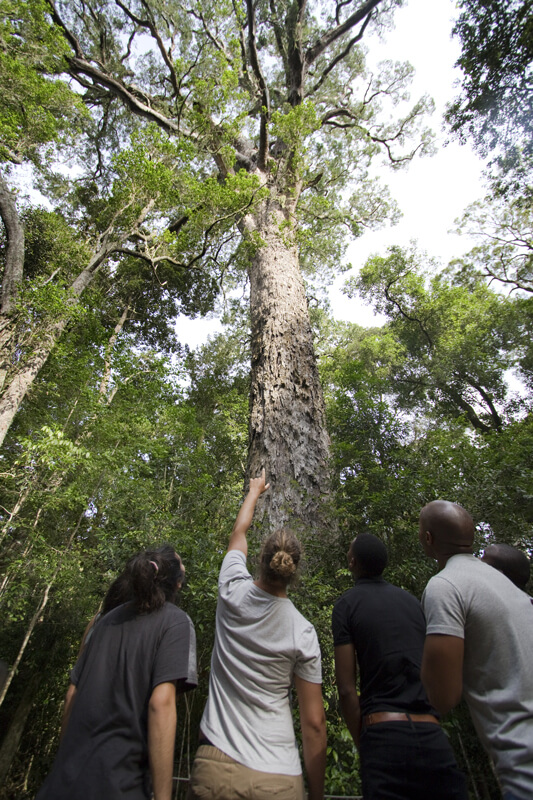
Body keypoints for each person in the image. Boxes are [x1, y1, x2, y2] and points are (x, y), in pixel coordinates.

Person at [187, 469, 326, 800]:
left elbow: (239, 532)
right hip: (278, 776)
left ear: (260, 561)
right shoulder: (302, 632)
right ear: (294, 569)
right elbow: (314, 724)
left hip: (217, 764)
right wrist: (317, 794)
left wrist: (254, 492)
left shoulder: (232, 591)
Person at [36, 545, 197, 800]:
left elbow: (71, 697)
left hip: (61, 784)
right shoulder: (175, 622)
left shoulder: (103, 623)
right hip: (120, 785)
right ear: (176, 584)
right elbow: (161, 704)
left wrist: (65, 765)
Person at [332, 532, 467, 800]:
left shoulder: (346, 605)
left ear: (352, 562)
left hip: (383, 734)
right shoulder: (412, 602)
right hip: (433, 735)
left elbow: (347, 688)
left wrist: (365, 742)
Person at [419, 500, 533, 800]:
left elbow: (442, 696)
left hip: (523, 765)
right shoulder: (507, 585)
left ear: (428, 539)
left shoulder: (446, 586)